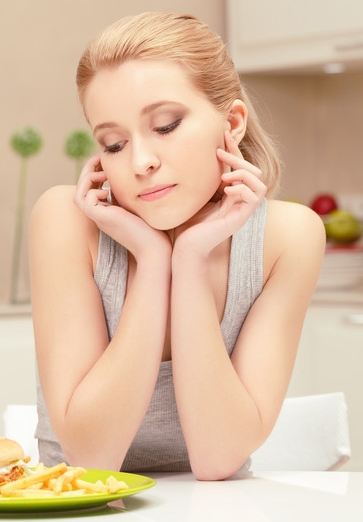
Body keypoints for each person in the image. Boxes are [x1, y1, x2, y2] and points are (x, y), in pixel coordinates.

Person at [30, 12, 325, 480]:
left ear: (232, 122)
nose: (141, 161)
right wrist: (150, 260)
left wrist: (189, 258)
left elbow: (217, 458)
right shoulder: (67, 220)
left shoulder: (289, 237)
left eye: (165, 126)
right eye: (113, 143)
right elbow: (91, 460)